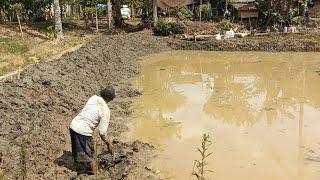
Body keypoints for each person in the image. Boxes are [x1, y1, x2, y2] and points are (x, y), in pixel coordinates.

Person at [69, 86, 115, 174]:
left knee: (77, 148)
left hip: (73, 125)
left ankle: (79, 167)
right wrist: (108, 143)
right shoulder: (106, 110)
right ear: (111, 99)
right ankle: (94, 174)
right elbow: (102, 132)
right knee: (90, 157)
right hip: (83, 132)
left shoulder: (93, 98)